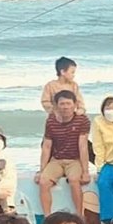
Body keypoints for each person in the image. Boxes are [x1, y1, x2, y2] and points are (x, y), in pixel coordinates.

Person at [36, 89, 90, 217]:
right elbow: (47, 146)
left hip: (74, 159)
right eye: (62, 104)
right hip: (57, 160)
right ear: (56, 105)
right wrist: (41, 170)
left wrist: (85, 171)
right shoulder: (51, 121)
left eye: (68, 103)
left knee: (73, 180)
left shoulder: (82, 120)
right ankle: (47, 217)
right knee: (43, 182)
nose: (65, 107)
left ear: (75, 105)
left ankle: (79, 215)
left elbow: (83, 146)